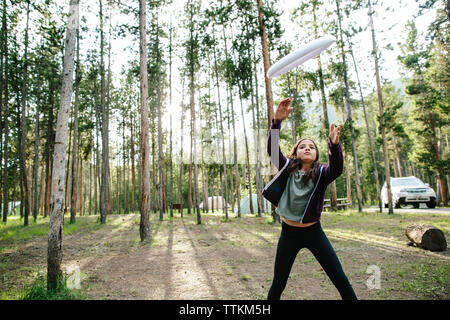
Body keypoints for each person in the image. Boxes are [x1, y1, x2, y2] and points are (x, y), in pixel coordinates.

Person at [263, 97, 357, 300]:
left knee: (340, 279)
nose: (307, 148)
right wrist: (276, 122)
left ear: (316, 155)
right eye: (302, 146)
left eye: (312, 147)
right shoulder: (287, 168)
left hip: (314, 233)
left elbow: (337, 168)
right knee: (278, 283)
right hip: (288, 234)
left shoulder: (322, 173)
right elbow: (272, 149)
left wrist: (334, 145)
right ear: (295, 152)